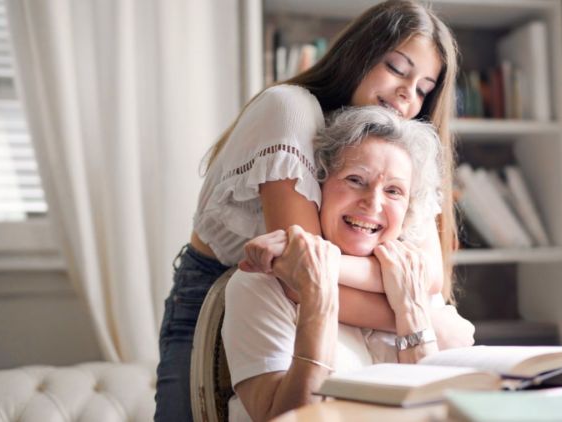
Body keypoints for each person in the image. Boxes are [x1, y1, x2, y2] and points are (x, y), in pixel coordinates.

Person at [154, 2, 471, 421]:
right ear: (359, 54)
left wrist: (300, 256)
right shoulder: (289, 109)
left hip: (323, 301)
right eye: (396, 68)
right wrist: (419, 311)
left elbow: (426, 274)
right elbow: (301, 279)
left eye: (423, 88)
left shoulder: (399, 143)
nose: (406, 95)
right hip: (226, 291)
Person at [223, 106, 447, 422]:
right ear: (320, 185)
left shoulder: (412, 282)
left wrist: (412, 311)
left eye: (394, 190)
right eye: (356, 179)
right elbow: (286, 417)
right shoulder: (261, 286)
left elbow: (432, 414)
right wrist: (318, 298)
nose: (373, 203)